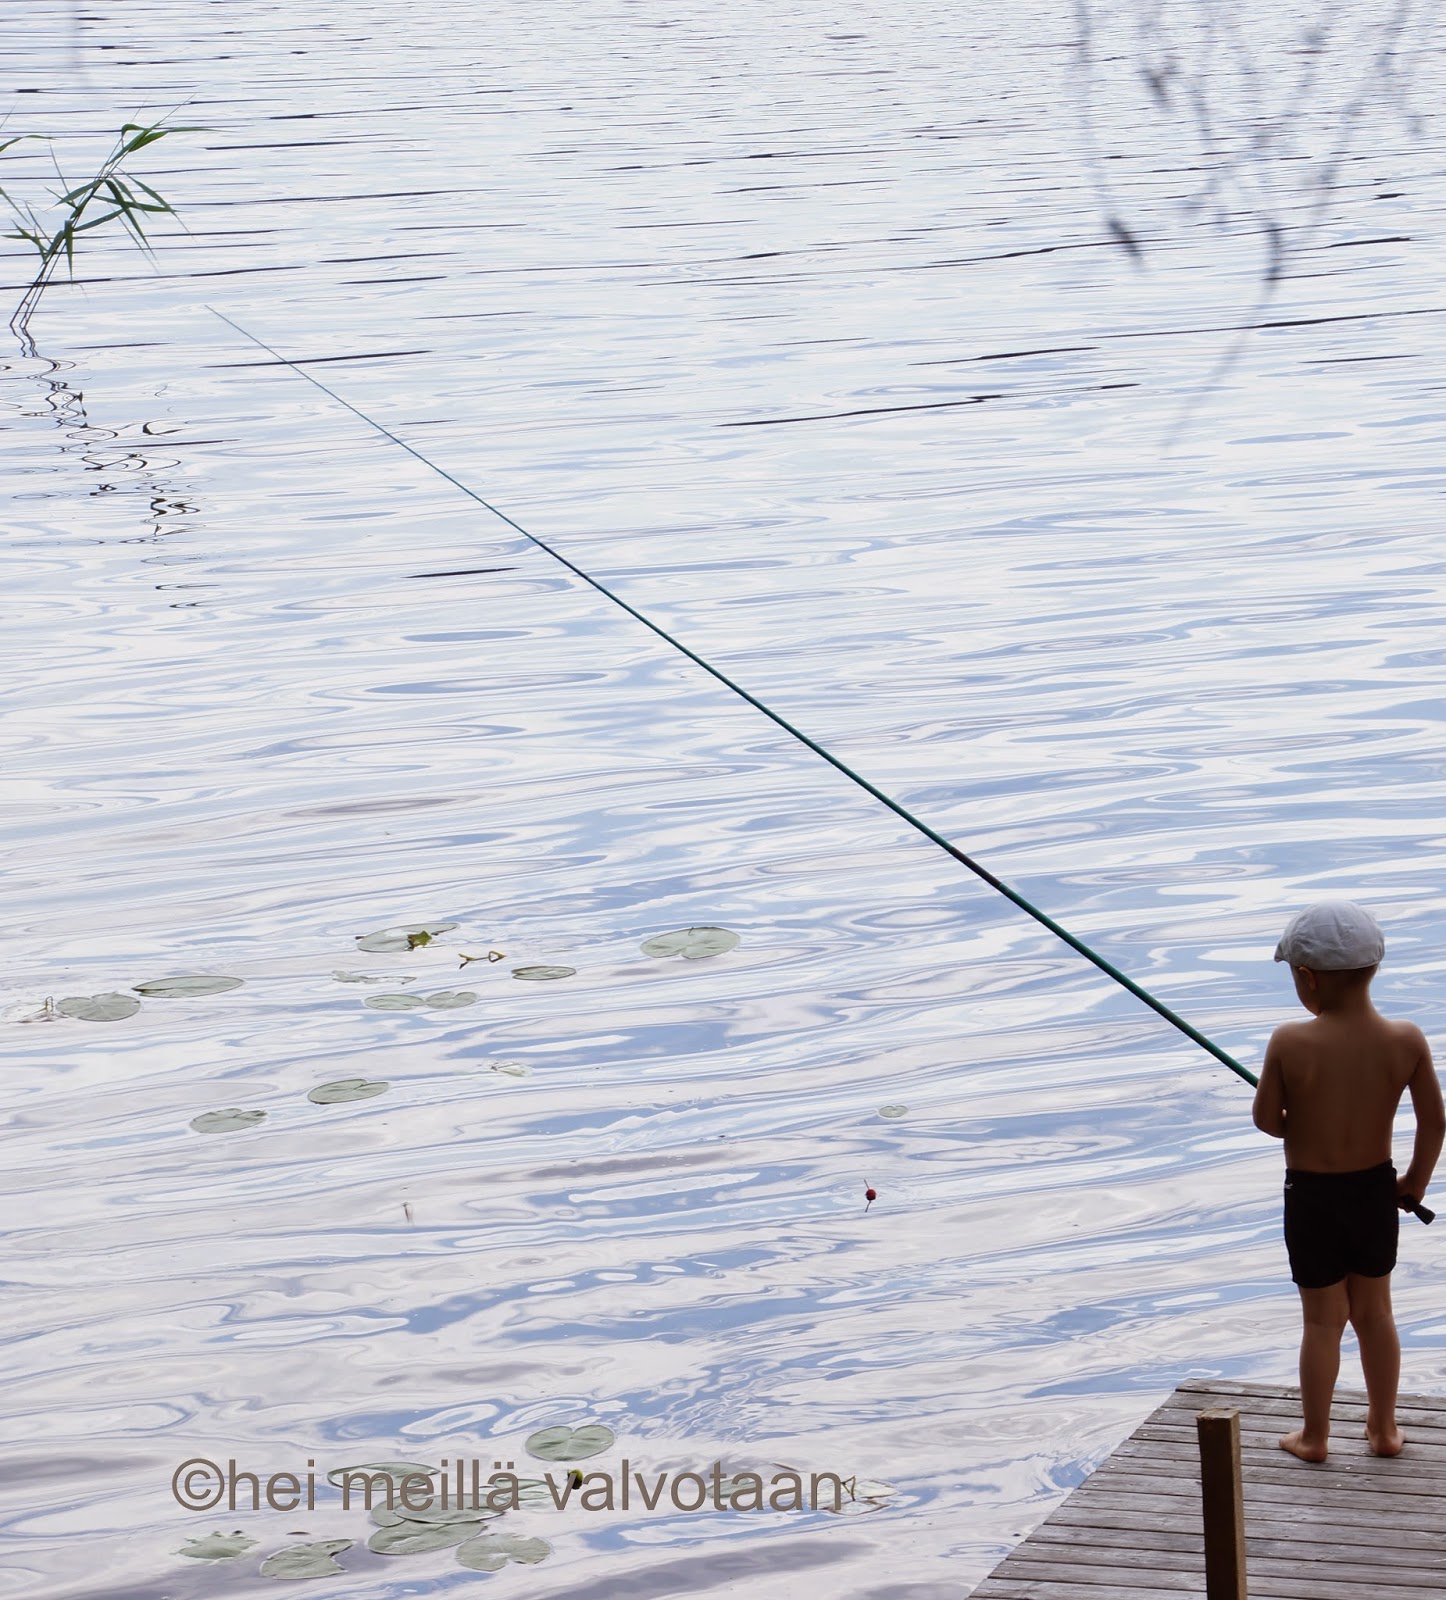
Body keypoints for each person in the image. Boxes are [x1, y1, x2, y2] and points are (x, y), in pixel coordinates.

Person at [1253, 901, 1444, 1461]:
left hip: (1312, 1198)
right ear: (1373, 968)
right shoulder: (1406, 1039)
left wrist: (1297, 1118)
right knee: (1375, 1313)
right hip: (1373, 1193)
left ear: (1307, 977)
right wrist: (1415, 1182)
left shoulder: (1289, 1042)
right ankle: (1383, 1430)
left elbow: (1267, 1121)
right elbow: (1435, 1121)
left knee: (1321, 1321)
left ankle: (1314, 1436)